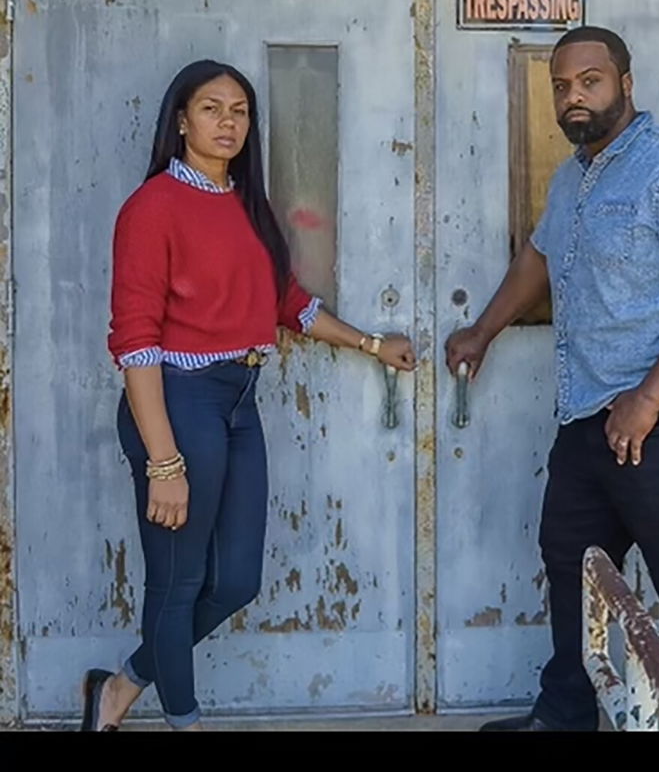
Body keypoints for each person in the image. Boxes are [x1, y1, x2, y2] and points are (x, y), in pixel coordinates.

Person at [81, 59, 416, 731]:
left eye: (239, 110)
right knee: (175, 587)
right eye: (211, 108)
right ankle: (183, 721)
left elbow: (288, 303)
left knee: (235, 581)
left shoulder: (246, 205)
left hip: (239, 401)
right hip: (179, 400)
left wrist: (372, 345)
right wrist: (164, 460)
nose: (227, 121)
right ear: (181, 120)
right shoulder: (152, 208)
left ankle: (120, 686)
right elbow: (136, 342)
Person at [445, 26, 659, 732]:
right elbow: (538, 258)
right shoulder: (574, 177)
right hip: (591, 412)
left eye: (590, 80)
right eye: (561, 85)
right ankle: (565, 718)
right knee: (575, 569)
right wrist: (483, 330)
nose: (574, 96)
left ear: (625, 83)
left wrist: (647, 401)